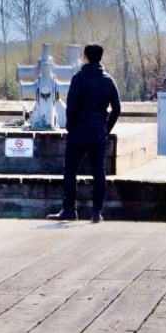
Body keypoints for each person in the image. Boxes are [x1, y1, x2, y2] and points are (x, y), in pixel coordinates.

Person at [47, 42, 122, 223]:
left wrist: (70, 126)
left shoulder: (79, 78)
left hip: (78, 133)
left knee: (70, 171)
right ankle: (96, 213)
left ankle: (69, 210)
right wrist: (106, 128)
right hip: (98, 133)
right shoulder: (108, 80)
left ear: (85, 57)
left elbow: (71, 107)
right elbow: (117, 108)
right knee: (99, 172)